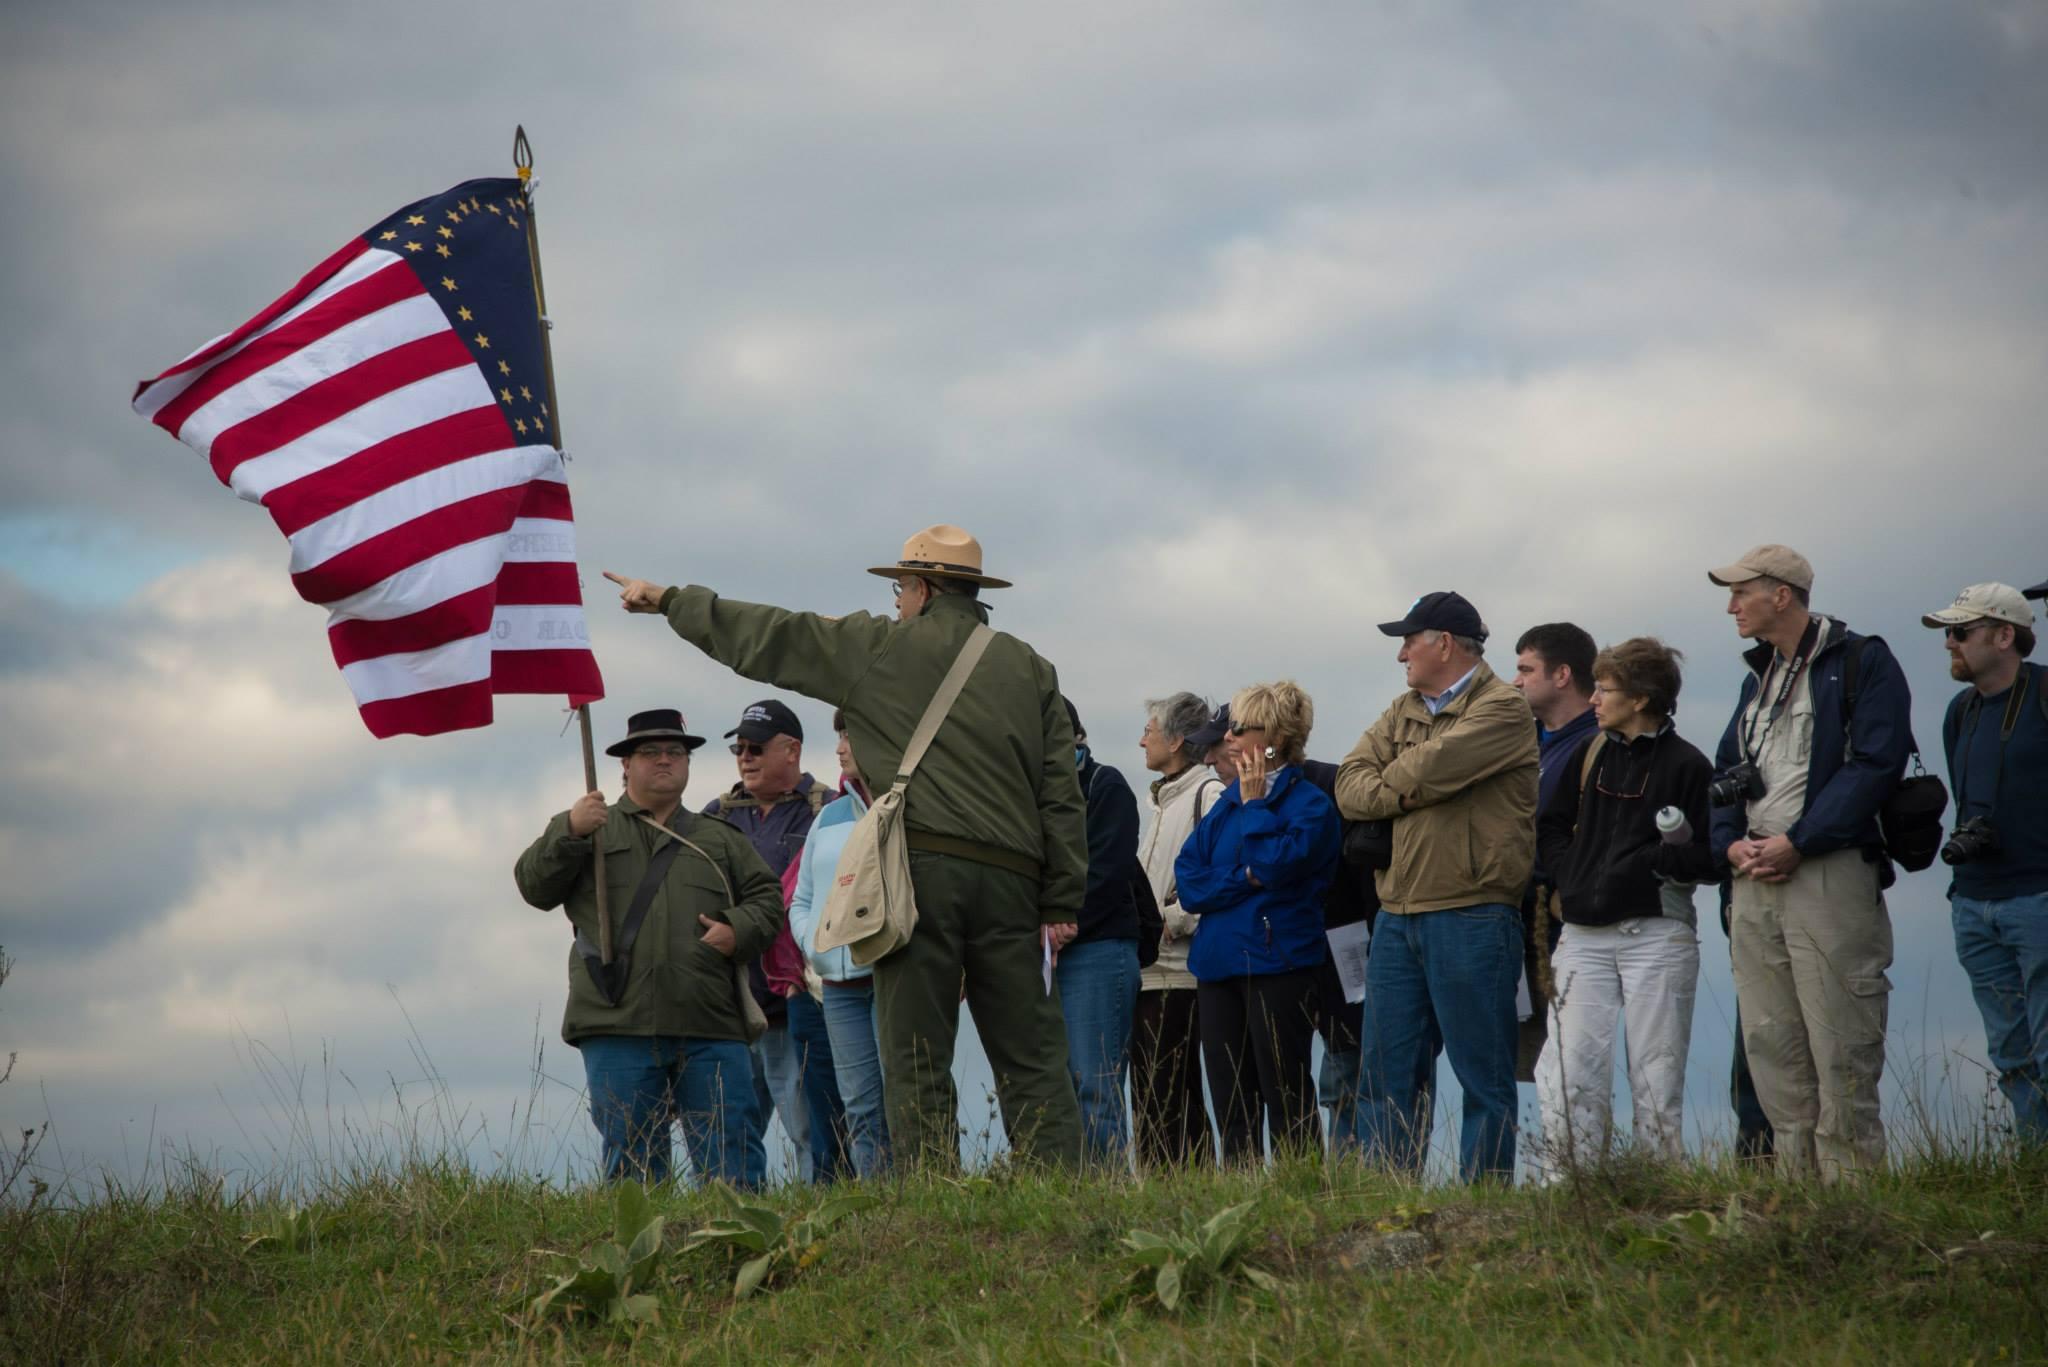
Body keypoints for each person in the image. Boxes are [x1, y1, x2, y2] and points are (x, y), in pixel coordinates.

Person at [603, 526, 1086, 1169]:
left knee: (915, 1054)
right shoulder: (1031, 668)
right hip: (1013, 879)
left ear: (923, 587)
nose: (895, 601)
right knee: (1032, 1054)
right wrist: (1059, 895)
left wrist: (669, 600)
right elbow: (1062, 793)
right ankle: (1060, 1185)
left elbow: (768, 635)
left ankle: (933, 1201)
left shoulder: (878, 649)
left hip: (918, 873)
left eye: (900, 587)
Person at [514, 709, 783, 1186]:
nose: (665, 761)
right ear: (624, 765)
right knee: (633, 1169)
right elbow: (534, 888)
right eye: (650, 752)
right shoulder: (589, 827)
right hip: (617, 1021)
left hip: (710, 1022)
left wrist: (736, 930)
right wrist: (568, 830)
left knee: (733, 1159)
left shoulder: (718, 838)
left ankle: (741, 1254)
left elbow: (768, 900)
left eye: (675, 753)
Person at [1709, 544, 1911, 1181]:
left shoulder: (1860, 661)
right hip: (1756, 876)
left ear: (1783, 594)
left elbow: (1877, 764)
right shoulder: (1757, 676)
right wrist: (1729, 844)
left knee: (1839, 1037)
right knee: (1770, 1038)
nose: (1732, 605)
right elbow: (1724, 774)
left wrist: (1803, 838)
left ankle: (1852, 1197)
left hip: (1825, 871)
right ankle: (1796, 1194)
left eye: (1743, 591)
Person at [1337, 591, 1538, 1183]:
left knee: (1484, 1076)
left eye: (1409, 641)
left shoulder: (1503, 708)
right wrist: (1403, 789)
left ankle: (1483, 1208)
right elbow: (1350, 782)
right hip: (1397, 914)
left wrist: (1398, 782)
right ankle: (1388, 1203)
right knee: (1385, 1076)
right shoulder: (1403, 708)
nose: (1402, 654)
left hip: (1473, 911)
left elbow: (1427, 769)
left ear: (1444, 644)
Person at [1532, 638, 1718, 1176]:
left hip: (1657, 935)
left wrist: (1654, 862)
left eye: (1606, 688)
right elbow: (1548, 826)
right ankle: (1568, 1188)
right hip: (1582, 936)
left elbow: (1710, 857)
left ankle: (1657, 1185)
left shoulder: (1689, 766)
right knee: (1567, 1071)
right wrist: (1571, 873)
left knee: (1656, 1074)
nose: (1594, 699)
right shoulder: (1591, 754)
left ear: (1640, 698)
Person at [1177, 681, 1342, 1163]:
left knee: (1285, 1091)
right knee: (1230, 1099)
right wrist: (1244, 878)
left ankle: (1302, 1188)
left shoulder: (1309, 805)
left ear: (1271, 738)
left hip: (1278, 964)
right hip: (1217, 966)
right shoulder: (1225, 804)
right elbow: (1190, 883)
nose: (1226, 738)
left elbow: (1272, 864)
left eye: (1237, 729)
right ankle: (1239, 1198)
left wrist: (1254, 808)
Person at [701, 699, 848, 1184]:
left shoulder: (829, 810)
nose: (745, 756)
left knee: (811, 1129)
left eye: (756, 747)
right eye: (738, 747)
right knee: (726, 1135)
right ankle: (730, 1230)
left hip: (798, 1006)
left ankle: (818, 1229)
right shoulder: (715, 816)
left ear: (792, 750)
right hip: (730, 1005)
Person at [1925, 583, 2048, 1146]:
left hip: (2037, 895)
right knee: (2010, 1051)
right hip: (1975, 900)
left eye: (1960, 632)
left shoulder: (2044, 693)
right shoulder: (1962, 710)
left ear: (2004, 635)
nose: (1950, 644)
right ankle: (2032, 1165)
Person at [786, 710, 892, 1177]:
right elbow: (802, 897)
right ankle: (879, 1204)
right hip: (841, 987)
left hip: (895, 973)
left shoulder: (909, 807)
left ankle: (927, 1198)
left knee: (906, 1095)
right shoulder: (828, 815)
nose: (840, 748)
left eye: (850, 736)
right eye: (840, 736)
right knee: (860, 1105)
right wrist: (816, 945)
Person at [1133, 691, 1222, 1168]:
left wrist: (1173, 918)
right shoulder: (1163, 802)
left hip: (1179, 973)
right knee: (1152, 1095)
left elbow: (1223, 870)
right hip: (1150, 971)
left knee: (1171, 1095)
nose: (1141, 740)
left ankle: (1188, 1187)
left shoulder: (1207, 795)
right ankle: (1162, 1189)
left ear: (1177, 738)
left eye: (1149, 730)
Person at [1512, 623, 1601, 1081]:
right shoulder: (1525, 743)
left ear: (1562, 674)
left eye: (1527, 669)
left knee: (1568, 1062)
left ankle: (1575, 1153)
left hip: (1568, 921)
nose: (1516, 680)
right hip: (1523, 919)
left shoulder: (1599, 744)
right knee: (1521, 1062)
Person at [1059, 698, 1143, 1164]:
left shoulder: (1103, 784)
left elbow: (1108, 873)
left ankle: (1106, 1194)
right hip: (1048, 954)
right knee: (1061, 1087)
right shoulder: (1030, 794)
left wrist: (1060, 923)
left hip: (1096, 948)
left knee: (1096, 1084)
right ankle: (1068, 1194)